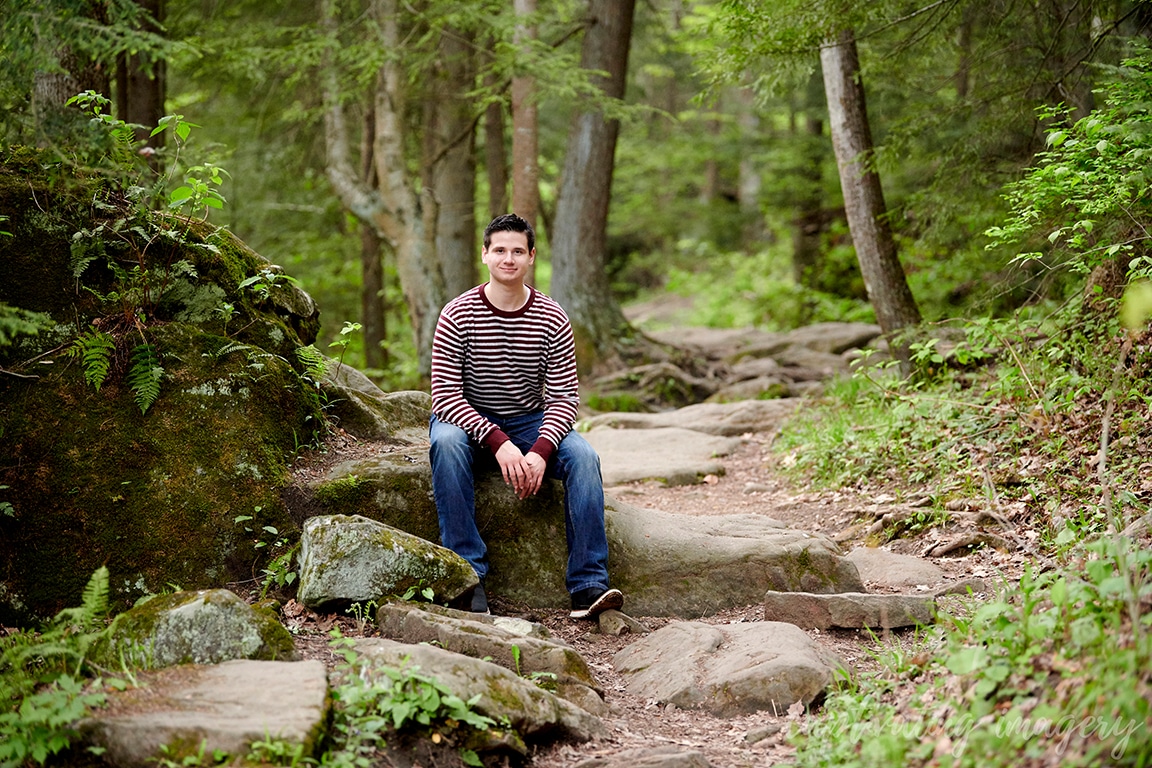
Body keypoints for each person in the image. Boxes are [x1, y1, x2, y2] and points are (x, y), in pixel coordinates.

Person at [429, 213, 623, 620]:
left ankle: (588, 585)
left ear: (532, 257)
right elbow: (445, 397)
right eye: (499, 250)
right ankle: (466, 577)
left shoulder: (552, 316)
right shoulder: (457, 313)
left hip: (530, 420)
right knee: (444, 443)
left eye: (518, 251)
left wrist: (538, 451)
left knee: (584, 457)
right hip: (466, 422)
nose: (508, 258)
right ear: (485, 255)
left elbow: (565, 399)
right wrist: (499, 444)